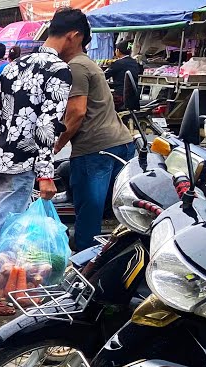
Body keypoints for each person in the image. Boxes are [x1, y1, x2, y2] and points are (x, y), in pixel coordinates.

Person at [0, 17, 73, 316]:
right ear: (73, 36)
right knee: (0, 228)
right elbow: (47, 126)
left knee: (0, 226)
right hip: (21, 163)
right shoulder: (59, 70)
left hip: (0, 156)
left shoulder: (13, 66)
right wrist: (46, 174)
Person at [51, 8, 136, 251]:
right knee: (115, 213)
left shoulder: (76, 66)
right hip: (118, 143)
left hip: (95, 149)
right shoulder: (86, 64)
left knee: (88, 214)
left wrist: (57, 144)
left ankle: (85, 267)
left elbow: (76, 112)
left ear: (74, 36)